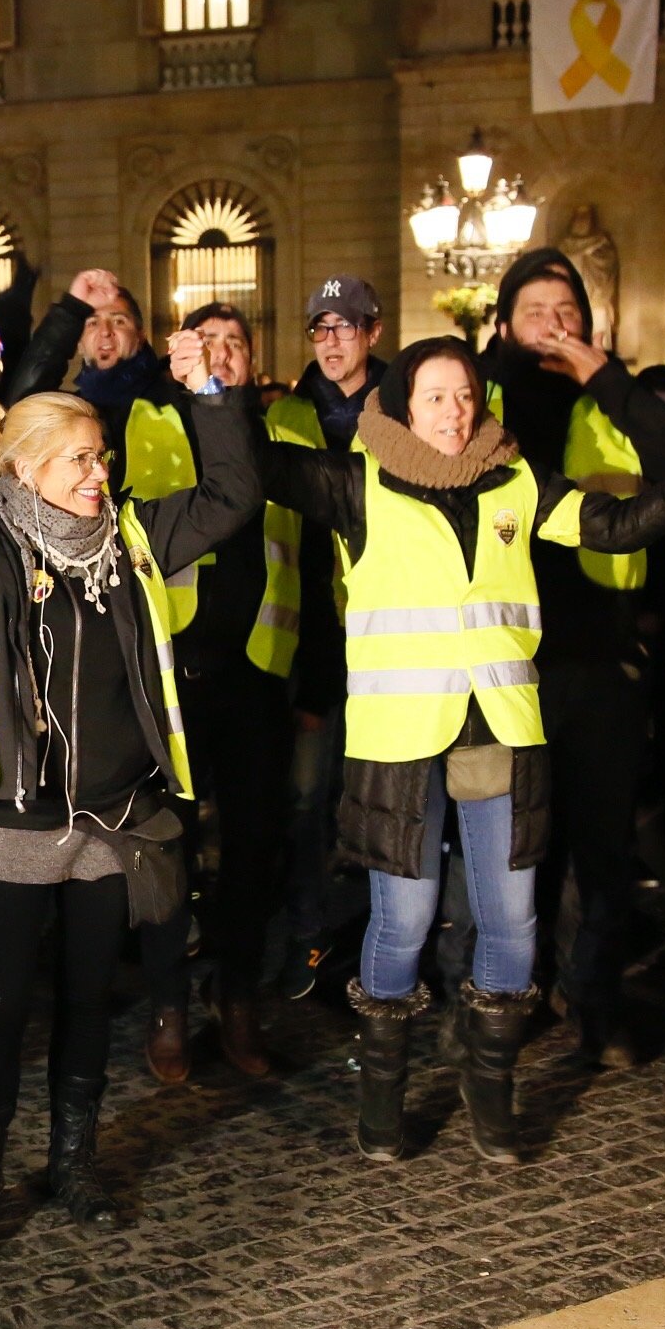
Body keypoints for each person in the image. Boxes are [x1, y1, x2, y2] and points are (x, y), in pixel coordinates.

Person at [259, 338, 665, 1161]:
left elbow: (623, 525)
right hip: (399, 736)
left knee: (514, 919)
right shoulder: (354, 483)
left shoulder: (518, 480)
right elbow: (252, 469)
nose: (453, 413)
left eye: (465, 396)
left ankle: (489, 1084)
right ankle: (381, 1091)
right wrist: (211, 395)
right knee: (407, 916)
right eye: (434, 398)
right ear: (400, 406)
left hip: (500, 721)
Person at [0, 295, 254, 1256]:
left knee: (87, 1002)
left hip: (116, 818)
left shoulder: (135, 539)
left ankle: (72, 1162)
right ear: (27, 469)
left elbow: (235, 495)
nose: (98, 474)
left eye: (102, 459)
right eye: (81, 460)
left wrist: (210, 395)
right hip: (13, 819)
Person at [0, 273, 283, 1082]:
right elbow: (29, 417)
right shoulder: (129, 408)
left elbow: (242, 499)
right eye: (205, 344)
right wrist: (76, 322)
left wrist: (214, 395)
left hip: (249, 664)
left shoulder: (238, 415)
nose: (219, 357)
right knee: (164, 853)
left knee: (254, 849)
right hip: (163, 670)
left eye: (234, 345)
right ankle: (169, 1006)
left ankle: (236, 1002)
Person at [480, 248, 665, 1065]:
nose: (553, 324)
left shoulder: (615, 401)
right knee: (515, 843)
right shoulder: (477, 396)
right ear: (503, 324)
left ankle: (593, 998)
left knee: (602, 846)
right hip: (506, 658)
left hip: (602, 655)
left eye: (565, 309)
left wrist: (607, 379)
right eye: (534, 310)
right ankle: (517, 987)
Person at [282, 276, 389, 999]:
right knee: (306, 798)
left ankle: (385, 944)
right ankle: (307, 936)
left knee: (385, 798)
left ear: (373, 332)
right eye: (320, 328)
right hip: (309, 634)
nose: (330, 340)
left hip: (391, 636)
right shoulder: (286, 412)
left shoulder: (405, 405)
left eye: (344, 327)